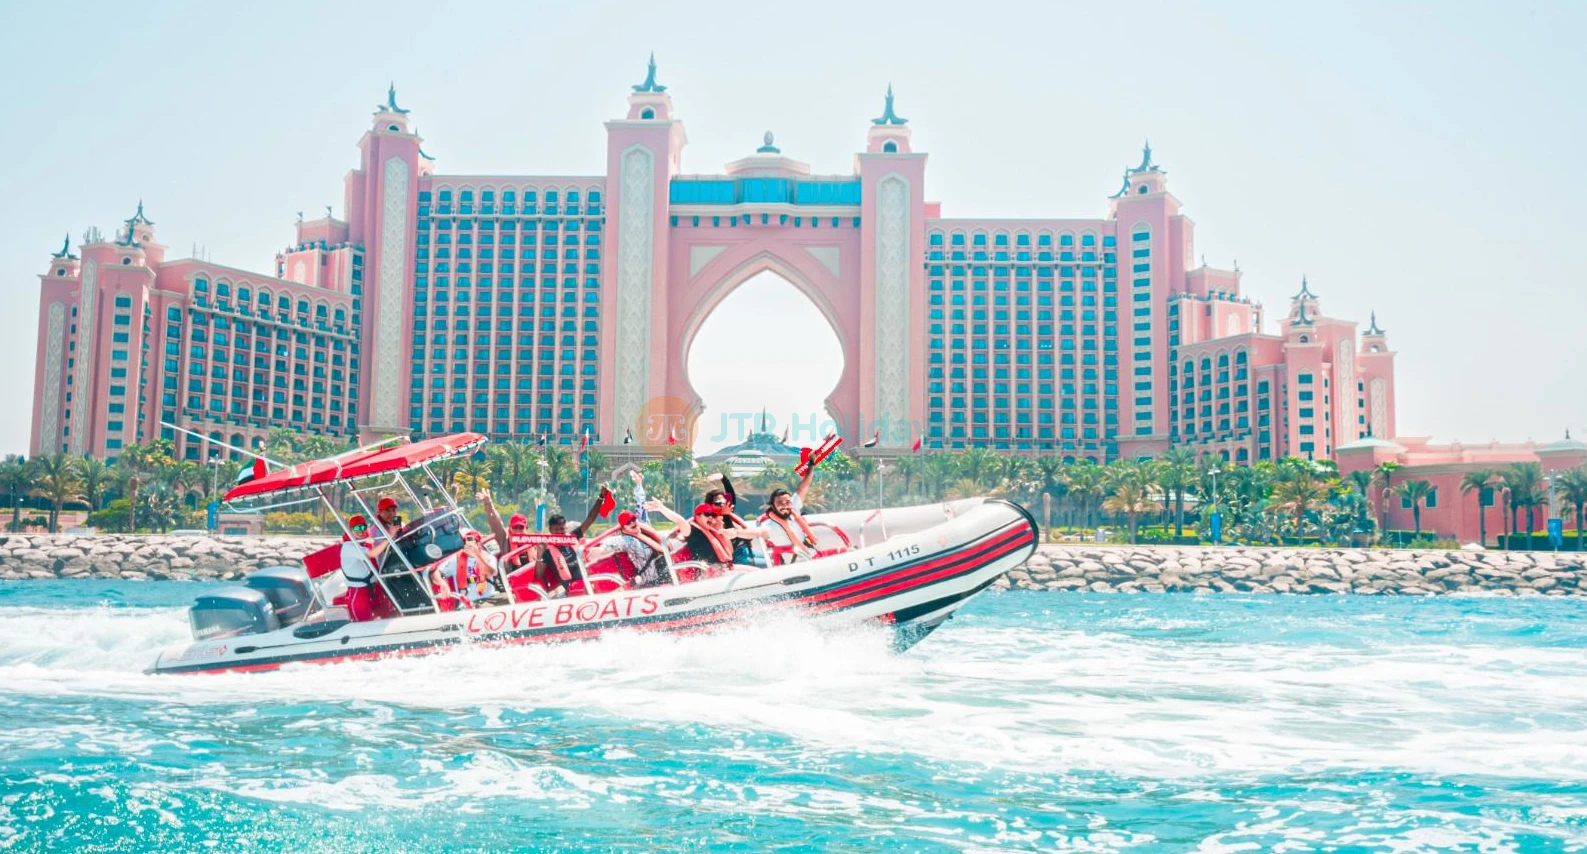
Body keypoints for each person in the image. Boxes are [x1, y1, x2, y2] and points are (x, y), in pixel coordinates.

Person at [532, 488, 610, 596]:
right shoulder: (547, 551)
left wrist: (601, 497)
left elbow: (590, 518)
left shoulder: (573, 537)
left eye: (562, 529)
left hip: (587, 579)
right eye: (556, 530)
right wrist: (539, 553)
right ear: (550, 530)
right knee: (591, 589)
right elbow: (539, 575)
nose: (559, 532)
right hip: (573, 587)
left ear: (565, 528)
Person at [759, 463, 820, 563]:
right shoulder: (770, 526)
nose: (784, 506)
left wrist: (811, 464)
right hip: (798, 562)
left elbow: (803, 487)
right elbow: (757, 533)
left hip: (813, 555)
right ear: (773, 506)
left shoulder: (793, 508)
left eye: (787, 502)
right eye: (779, 503)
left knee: (848, 551)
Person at [339, 514, 387, 621]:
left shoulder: (363, 544)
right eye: (356, 528)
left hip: (374, 588)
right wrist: (388, 538)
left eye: (363, 527)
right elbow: (372, 554)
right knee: (363, 622)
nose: (360, 531)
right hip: (359, 592)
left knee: (386, 615)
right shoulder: (348, 546)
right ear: (350, 530)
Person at [610, 510, 670, 587]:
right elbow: (614, 545)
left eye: (633, 519)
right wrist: (600, 550)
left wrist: (638, 534)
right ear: (623, 529)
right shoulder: (628, 540)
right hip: (652, 582)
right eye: (628, 523)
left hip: (662, 576)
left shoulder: (644, 531)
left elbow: (666, 549)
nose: (632, 523)